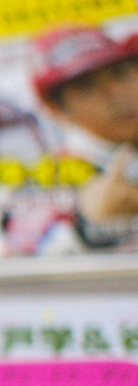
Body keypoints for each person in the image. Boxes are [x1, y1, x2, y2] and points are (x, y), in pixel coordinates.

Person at [30, 24, 138, 246]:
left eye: (120, 73)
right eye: (86, 86)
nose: (115, 95)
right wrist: (90, 222)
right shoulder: (56, 175)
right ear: (57, 110)